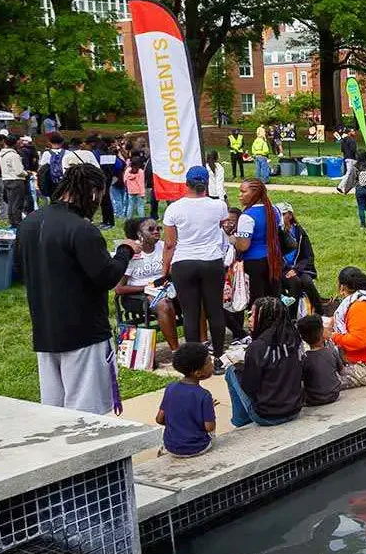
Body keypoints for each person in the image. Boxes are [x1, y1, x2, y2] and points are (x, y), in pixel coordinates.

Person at [19, 163, 134, 415]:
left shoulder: (30, 222)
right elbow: (106, 276)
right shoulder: (82, 229)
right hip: (84, 331)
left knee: (55, 408)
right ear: (93, 192)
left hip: (46, 328)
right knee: (86, 411)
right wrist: (125, 252)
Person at [163, 166, 234, 362]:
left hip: (183, 262)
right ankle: (219, 356)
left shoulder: (173, 208)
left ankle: (195, 361)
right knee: (214, 310)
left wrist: (164, 269)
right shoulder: (219, 205)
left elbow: (169, 244)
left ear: (186, 184)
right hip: (211, 261)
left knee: (190, 313)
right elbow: (221, 226)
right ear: (206, 184)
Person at [226, 296, 303, 427]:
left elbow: (249, 388)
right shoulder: (294, 339)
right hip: (295, 409)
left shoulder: (257, 347)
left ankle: (240, 421)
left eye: (254, 315)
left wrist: (243, 367)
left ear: (266, 318)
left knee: (231, 371)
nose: (249, 319)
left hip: (267, 416)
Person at [114, 217, 180, 353]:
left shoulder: (163, 246)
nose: (156, 232)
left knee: (193, 294)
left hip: (164, 289)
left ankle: (199, 344)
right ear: (139, 234)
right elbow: (119, 288)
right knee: (163, 304)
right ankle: (176, 351)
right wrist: (147, 288)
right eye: (151, 229)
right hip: (136, 296)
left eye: (158, 228)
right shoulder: (131, 253)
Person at [156, 343, 217, 458]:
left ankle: (164, 448)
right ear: (198, 373)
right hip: (197, 448)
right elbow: (209, 427)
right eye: (209, 362)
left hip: (171, 447)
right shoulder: (204, 395)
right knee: (212, 435)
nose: (212, 364)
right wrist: (209, 411)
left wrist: (178, 422)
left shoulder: (170, 388)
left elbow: (159, 419)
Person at [296, 315, 341, 407]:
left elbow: (299, 380)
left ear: (303, 338)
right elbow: (342, 371)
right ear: (322, 331)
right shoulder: (331, 352)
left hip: (313, 399)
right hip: (334, 394)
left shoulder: (304, 359)